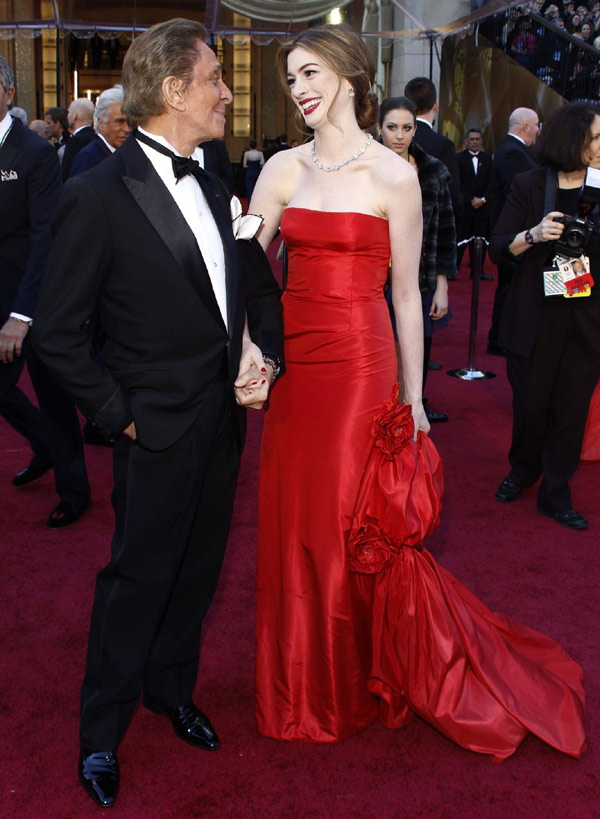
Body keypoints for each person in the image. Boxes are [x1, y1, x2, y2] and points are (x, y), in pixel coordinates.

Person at [251, 23, 585, 760]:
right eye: (291, 80)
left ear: (347, 72)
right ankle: (301, 672)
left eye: (309, 73)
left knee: (350, 515)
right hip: (298, 369)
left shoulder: (393, 174)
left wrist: (415, 398)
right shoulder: (279, 169)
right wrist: (253, 348)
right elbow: (251, 275)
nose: (299, 90)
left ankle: (349, 672)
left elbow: (406, 295)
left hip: (361, 362)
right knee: (296, 513)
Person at [33, 18, 283, 808]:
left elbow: (255, 291)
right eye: (214, 79)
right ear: (173, 90)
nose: (226, 92)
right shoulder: (95, 194)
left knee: (199, 570)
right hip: (155, 427)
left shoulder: (213, 179)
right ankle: (99, 734)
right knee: (135, 579)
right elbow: (60, 333)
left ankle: (169, 689)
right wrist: (122, 417)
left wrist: (260, 354)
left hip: (221, 423)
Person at [490, 102, 600, 530]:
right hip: (535, 315)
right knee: (531, 407)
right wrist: (532, 235)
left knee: (571, 411)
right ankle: (523, 469)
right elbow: (499, 246)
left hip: (586, 319)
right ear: (573, 140)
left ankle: (556, 491)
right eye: (595, 137)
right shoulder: (530, 185)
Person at [0, 56, 91, 529]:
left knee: (54, 396)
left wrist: (22, 314)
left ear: (8, 94)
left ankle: (75, 491)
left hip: (35, 298)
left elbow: (44, 236)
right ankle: (42, 446)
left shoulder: (34, 154)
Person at [378, 96, 454, 424]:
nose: (399, 135)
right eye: (392, 127)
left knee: (416, 342)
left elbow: (445, 231)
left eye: (406, 128)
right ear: (378, 129)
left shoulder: (434, 172)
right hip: (373, 279)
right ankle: (382, 410)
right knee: (381, 351)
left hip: (419, 278)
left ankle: (413, 404)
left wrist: (442, 286)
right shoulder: (366, 170)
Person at [488, 107, 540, 355]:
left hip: (516, 235)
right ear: (527, 127)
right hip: (511, 236)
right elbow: (519, 196)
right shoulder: (512, 152)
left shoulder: (513, 150)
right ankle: (499, 338)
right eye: (537, 125)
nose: (539, 131)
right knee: (508, 289)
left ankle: (500, 337)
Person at [403, 76, 462, 219]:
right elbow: (453, 198)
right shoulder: (443, 145)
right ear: (436, 105)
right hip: (430, 229)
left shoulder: (385, 141)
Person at [457, 127, 493, 280]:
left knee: (480, 241)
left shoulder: (488, 159)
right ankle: (454, 268)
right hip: (465, 207)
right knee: (460, 239)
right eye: (472, 139)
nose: (475, 142)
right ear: (466, 141)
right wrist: (469, 199)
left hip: (482, 208)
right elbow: (457, 182)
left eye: (477, 139)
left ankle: (478, 271)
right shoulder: (458, 158)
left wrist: (483, 199)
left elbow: (492, 181)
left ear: (481, 141)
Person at [70, 85, 131, 175]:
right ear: (101, 123)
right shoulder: (88, 158)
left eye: (130, 122)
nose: (127, 129)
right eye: (120, 121)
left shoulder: (132, 155)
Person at [61, 98, 95, 180]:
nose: (67, 115)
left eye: (69, 112)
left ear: (75, 116)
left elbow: (66, 173)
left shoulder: (75, 142)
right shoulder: (96, 138)